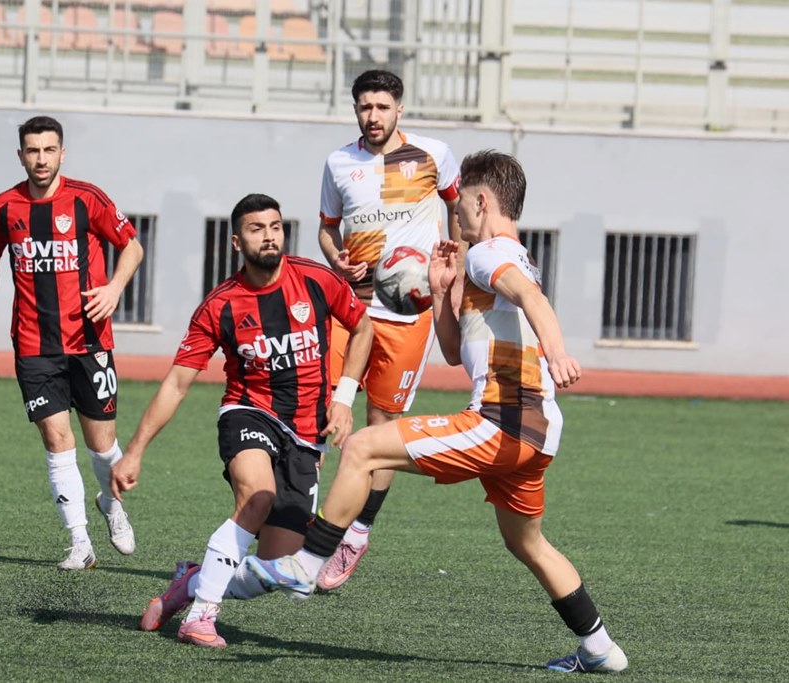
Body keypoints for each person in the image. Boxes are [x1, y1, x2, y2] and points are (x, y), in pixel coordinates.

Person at [248, 151, 628, 674]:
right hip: (536, 430)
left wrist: (558, 351)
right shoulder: (503, 255)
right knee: (527, 541)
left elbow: (533, 300)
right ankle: (600, 647)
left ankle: (307, 564)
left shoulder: (488, 252)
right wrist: (445, 292)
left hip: (502, 420)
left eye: (462, 205)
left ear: (481, 200)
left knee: (361, 447)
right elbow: (454, 351)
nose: (458, 216)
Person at [110, 193, 373, 649]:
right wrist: (134, 451)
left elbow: (364, 328)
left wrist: (345, 398)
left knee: (283, 565)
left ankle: (192, 583)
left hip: (307, 432)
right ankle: (201, 617)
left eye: (275, 226)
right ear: (236, 241)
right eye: (257, 228)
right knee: (258, 494)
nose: (269, 236)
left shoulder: (316, 279)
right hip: (248, 412)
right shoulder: (221, 305)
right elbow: (176, 384)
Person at [0, 115, 143, 570]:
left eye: (48, 150)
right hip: (33, 346)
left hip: (90, 342)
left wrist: (114, 289)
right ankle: (79, 542)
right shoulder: (3, 207)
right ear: (20, 155)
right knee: (56, 440)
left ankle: (112, 504)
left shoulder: (88, 199)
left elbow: (132, 247)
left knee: (102, 447)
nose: (40, 159)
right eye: (32, 150)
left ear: (62, 153)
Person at [315, 69, 465, 591]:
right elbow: (326, 229)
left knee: (379, 429)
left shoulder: (432, 154)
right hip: (351, 309)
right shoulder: (339, 163)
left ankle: (356, 533)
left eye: (381, 107)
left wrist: (455, 262)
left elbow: (457, 208)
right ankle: (304, 521)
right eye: (364, 107)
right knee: (320, 404)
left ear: (399, 109)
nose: (372, 116)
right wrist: (337, 261)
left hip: (407, 313)